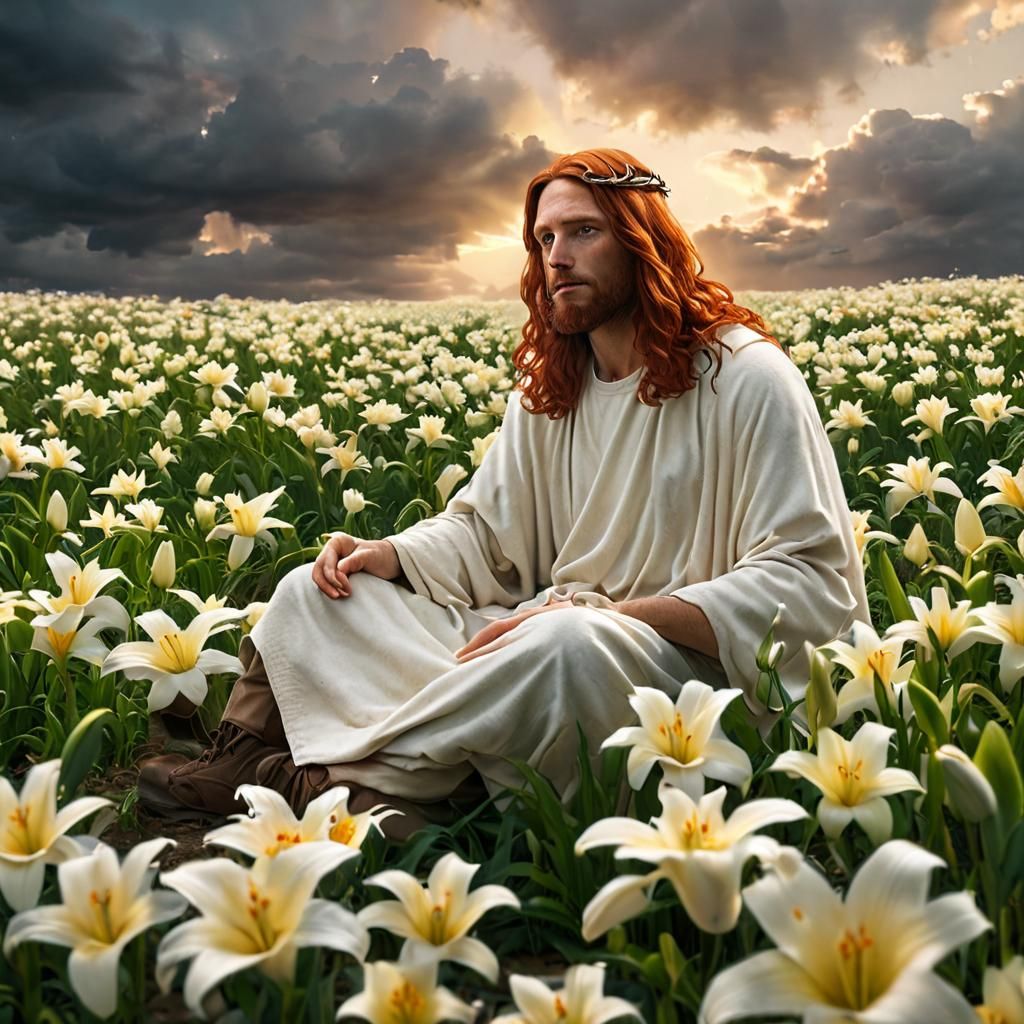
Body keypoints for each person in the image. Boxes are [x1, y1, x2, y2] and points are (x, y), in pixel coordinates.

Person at [139, 148, 870, 833]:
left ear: (643, 242)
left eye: (584, 231)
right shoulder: (553, 387)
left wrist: (614, 614)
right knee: (318, 590)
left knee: (564, 646)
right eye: (544, 239)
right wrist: (390, 554)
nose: (558, 257)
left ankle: (335, 783)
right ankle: (270, 768)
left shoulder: (744, 377)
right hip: (545, 637)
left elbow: (807, 582)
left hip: (674, 677)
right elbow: (490, 537)